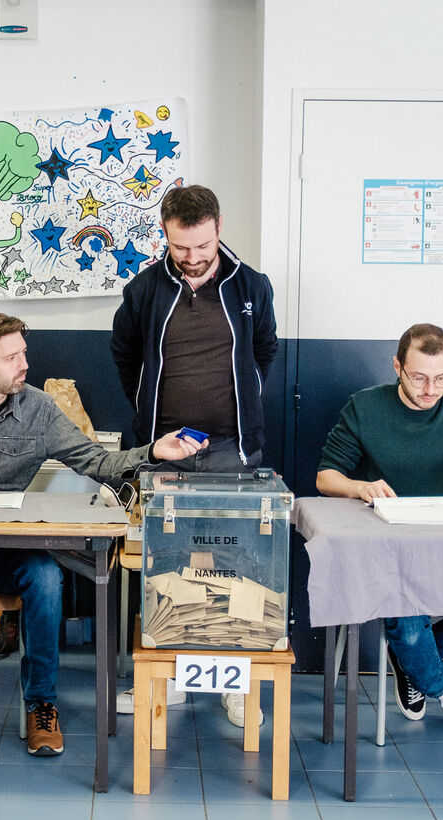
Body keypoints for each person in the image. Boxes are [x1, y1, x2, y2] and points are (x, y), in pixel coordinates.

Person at [0, 311, 200, 762]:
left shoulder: (40, 409)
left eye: (24, 353)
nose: (25, 364)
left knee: (47, 577)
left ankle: (41, 707)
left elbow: (96, 461)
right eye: (12, 357)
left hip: (4, 547)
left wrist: (154, 451)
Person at [109, 184, 277, 727]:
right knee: (165, 567)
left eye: (202, 245)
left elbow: (265, 349)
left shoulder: (251, 285)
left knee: (238, 567)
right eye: (181, 246)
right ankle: (167, 681)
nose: (193, 256)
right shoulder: (144, 290)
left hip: (233, 451)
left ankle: (235, 684)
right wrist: (151, 417)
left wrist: (246, 398)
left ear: (218, 229)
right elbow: (125, 354)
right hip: (166, 454)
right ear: (165, 233)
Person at [316, 322, 443, 722]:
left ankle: (410, 659)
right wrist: (360, 487)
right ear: (398, 367)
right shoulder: (365, 406)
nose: (430, 390)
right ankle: (435, 681)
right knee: (409, 630)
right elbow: (325, 477)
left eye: (441, 378)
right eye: (419, 377)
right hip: (387, 545)